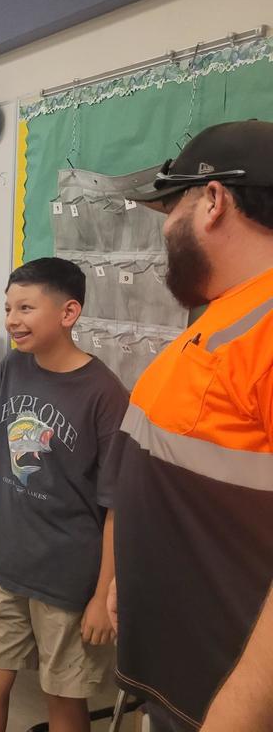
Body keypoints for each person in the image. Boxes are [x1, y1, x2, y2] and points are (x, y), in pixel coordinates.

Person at [107, 120, 273, 731]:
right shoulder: (230, 313)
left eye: (168, 209)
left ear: (212, 201)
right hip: (185, 680)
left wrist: (237, 714)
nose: (163, 230)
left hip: (230, 700)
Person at [0, 257, 129, 732]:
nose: (12, 320)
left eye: (26, 308)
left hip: (67, 578)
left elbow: (118, 504)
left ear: (68, 313)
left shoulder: (104, 395)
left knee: (62, 698)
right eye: (9, 308)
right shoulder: (14, 366)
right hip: (6, 561)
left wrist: (102, 596)